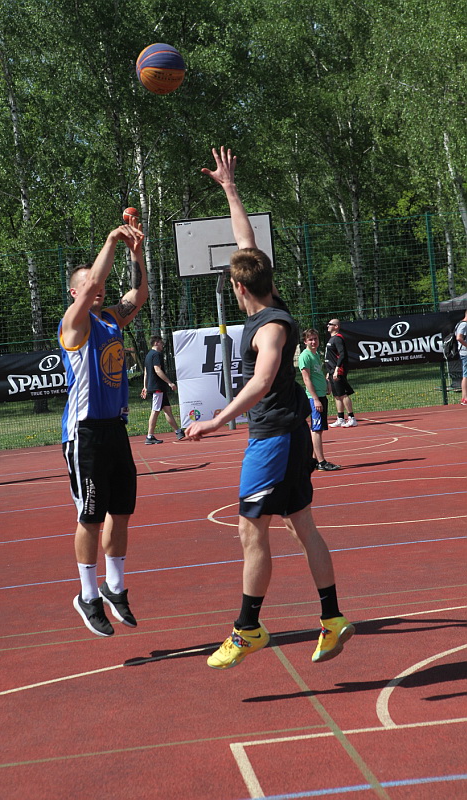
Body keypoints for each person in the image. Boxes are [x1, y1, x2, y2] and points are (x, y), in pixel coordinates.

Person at [186, 147, 354, 669]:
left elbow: (262, 380)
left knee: (250, 529)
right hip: (289, 435)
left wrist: (217, 420)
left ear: (239, 287)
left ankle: (248, 628)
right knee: (301, 525)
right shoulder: (270, 298)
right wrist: (229, 189)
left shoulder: (272, 328)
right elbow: (247, 244)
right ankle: (332, 619)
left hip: (274, 438)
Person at [58, 215, 147, 638]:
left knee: (122, 511)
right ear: (75, 293)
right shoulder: (74, 324)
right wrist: (112, 237)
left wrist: (137, 254)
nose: (98, 289)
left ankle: (115, 587)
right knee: (90, 516)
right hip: (85, 433)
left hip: (115, 428)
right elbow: (96, 279)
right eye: (89, 286)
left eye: (100, 287)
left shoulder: (111, 318)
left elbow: (139, 295)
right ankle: (88, 595)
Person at [298, 329, 341, 471]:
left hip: (322, 395)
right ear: (305, 341)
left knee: (318, 429)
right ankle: (321, 462)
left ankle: (314, 460)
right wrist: (315, 399)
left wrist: (327, 383)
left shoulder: (316, 355)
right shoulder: (305, 356)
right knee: (316, 429)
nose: (313, 341)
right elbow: (306, 379)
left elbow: (318, 374)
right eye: (310, 339)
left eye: (315, 338)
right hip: (314, 397)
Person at [140, 336, 185, 443]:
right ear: (156, 343)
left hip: (156, 387)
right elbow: (157, 370)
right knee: (155, 411)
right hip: (157, 387)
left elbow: (146, 372)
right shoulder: (156, 354)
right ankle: (149, 437)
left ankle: (178, 431)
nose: (162, 345)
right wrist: (169, 382)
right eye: (161, 343)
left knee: (167, 410)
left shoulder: (148, 355)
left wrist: (145, 386)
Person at [324, 319, 358, 427]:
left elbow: (342, 354)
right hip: (331, 371)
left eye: (330, 324)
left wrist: (337, 369)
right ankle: (340, 418)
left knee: (343, 394)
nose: (328, 326)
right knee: (337, 395)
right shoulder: (331, 339)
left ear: (336, 326)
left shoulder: (338, 338)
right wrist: (329, 371)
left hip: (337, 371)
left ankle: (352, 418)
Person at [456, 310, 467, 405]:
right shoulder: (464, 325)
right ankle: (465, 398)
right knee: (466, 374)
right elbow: (459, 338)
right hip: (465, 353)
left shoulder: (461, 324)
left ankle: (464, 398)